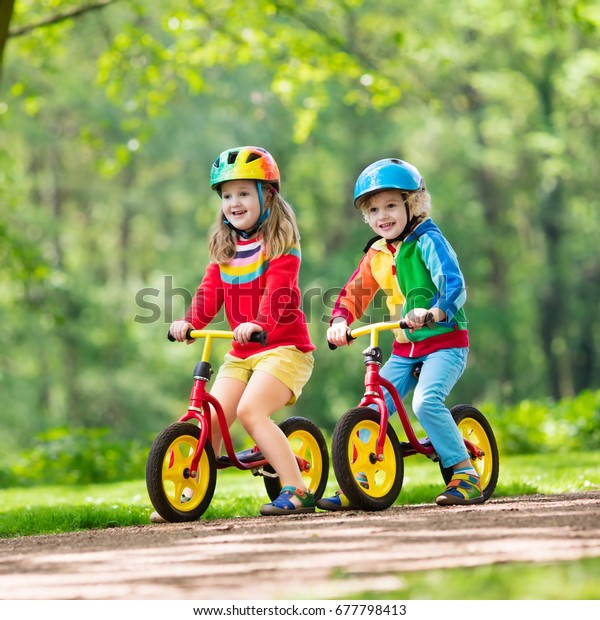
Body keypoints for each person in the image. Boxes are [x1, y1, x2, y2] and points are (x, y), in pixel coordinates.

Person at [152, 146, 315, 520]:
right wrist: (191, 322)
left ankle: (297, 489)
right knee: (207, 420)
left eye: (244, 193)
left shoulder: (281, 245)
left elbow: (279, 292)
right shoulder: (225, 248)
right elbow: (209, 293)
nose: (234, 203)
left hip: (284, 348)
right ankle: (182, 498)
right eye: (227, 195)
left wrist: (258, 324)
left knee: (251, 412)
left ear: (267, 194)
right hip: (241, 353)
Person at [318, 157, 481, 510]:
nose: (383, 216)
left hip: (444, 341)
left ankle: (466, 475)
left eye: (391, 205)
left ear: (413, 204)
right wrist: (340, 321)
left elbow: (453, 284)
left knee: (426, 401)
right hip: (405, 348)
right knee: (371, 406)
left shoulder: (428, 240)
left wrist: (435, 310)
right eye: (374, 209)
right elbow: (354, 293)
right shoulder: (377, 252)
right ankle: (356, 481)